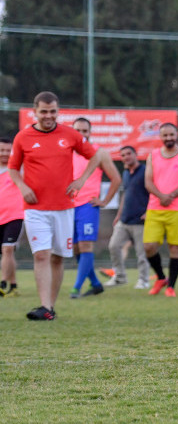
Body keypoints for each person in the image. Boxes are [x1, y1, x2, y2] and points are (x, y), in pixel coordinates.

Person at [8, 91, 99, 320]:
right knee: (42, 255)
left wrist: (81, 180)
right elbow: (12, 168)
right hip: (35, 209)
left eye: (53, 111)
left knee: (58, 257)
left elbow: (95, 157)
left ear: (58, 111)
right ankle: (45, 306)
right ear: (35, 111)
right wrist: (22, 187)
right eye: (44, 111)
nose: (48, 116)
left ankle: (51, 308)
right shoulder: (23, 137)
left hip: (64, 208)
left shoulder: (70, 134)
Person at [69, 118, 122, 298]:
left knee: (85, 245)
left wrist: (105, 201)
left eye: (85, 131)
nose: (82, 134)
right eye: (78, 130)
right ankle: (96, 283)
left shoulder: (99, 153)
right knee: (75, 249)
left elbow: (116, 179)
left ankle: (76, 288)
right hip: (68, 206)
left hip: (87, 205)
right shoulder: (65, 152)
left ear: (90, 132)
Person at [143, 123, 178, 297]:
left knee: (175, 249)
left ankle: (171, 286)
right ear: (160, 137)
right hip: (155, 208)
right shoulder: (153, 155)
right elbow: (148, 182)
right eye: (165, 135)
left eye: (171, 135)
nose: (168, 138)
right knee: (149, 246)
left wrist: (171, 196)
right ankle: (160, 277)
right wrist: (161, 196)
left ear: (177, 134)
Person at [105, 145, 153, 289]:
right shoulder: (125, 173)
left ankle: (144, 280)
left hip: (141, 220)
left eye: (129, 154)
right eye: (123, 155)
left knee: (141, 253)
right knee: (113, 246)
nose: (126, 157)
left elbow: (153, 192)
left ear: (135, 154)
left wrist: (149, 212)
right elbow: (125, 195)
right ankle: (120, 277)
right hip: (124, 220)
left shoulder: (145, 171)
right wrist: (119, 215)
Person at [0, 137, 24, 297]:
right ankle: (13, 285)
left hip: (15, 215)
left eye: (8, 151)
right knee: (6, 253)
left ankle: (2, 283)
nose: (4, 154)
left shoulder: (19, 169)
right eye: (2, 150)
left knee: (7, 249)